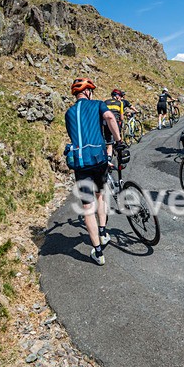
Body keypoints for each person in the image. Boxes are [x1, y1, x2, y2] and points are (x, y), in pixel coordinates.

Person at [64, 78, 124, 266]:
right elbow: (110, 118)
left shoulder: (69, 113)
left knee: (88, 209)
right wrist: (119, 141)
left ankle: (98, 253)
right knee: (100, 195)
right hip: (98, 159)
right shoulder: (98, 104)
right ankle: (104, 231)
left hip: (81, 163)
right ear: (89, 91)